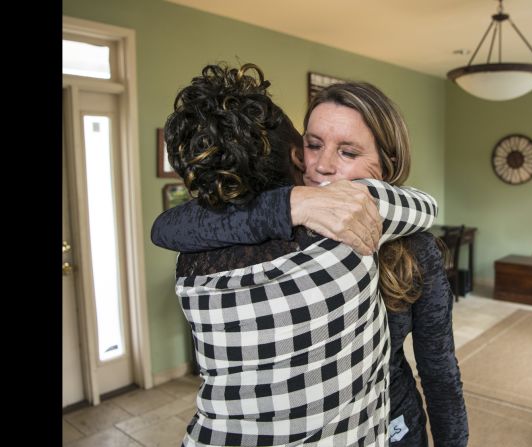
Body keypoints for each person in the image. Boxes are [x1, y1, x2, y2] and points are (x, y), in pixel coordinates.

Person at [153, 81, 469, 446]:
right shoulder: (263, 218)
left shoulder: (414, 246)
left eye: (348, 152)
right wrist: (293, 204)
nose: (321, 165)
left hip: (394, 422)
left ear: (386, 165)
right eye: (314, 144)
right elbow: (168, 227)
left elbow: (439, 371)